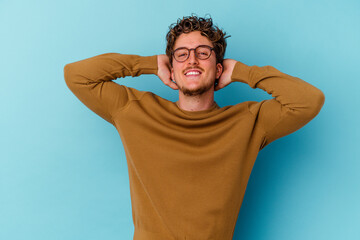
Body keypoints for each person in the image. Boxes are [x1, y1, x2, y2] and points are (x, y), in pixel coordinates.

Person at [64, 15, 325, 240]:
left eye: (203, 53)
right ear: (171, 69)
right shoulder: (135, 111)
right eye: (181, 54)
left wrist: (244, 72)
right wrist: (148, 64)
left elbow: (308, 101)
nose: (192, 60)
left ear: (219, 68)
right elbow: (76, 75)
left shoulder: (249, 122)